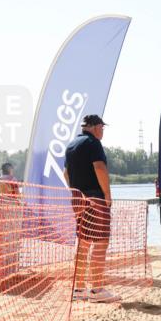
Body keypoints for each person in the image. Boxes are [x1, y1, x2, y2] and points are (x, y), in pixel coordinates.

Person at [64, 114, 119, 303]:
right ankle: (96, 290)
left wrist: (75, 193)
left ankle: (78, 289)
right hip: (95, 197)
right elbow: (100, 168)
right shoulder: (93, 143)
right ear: (95, 127)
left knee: (83, 242)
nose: (102, 131)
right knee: (101, 242)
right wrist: (107, 195)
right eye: (102, 128)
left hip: (78, 199)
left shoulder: (71, 145)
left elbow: (66, 172)